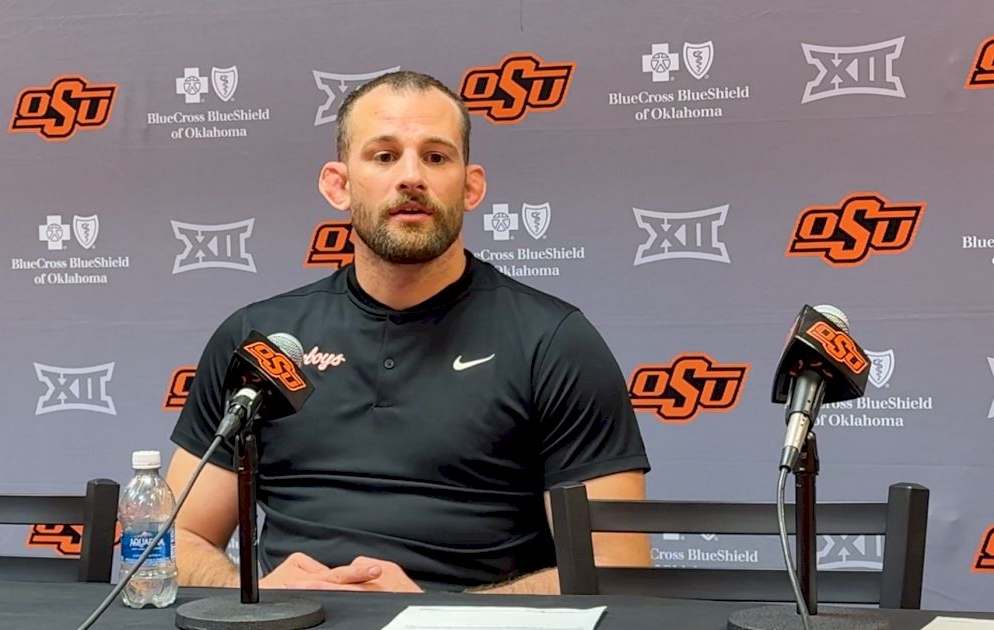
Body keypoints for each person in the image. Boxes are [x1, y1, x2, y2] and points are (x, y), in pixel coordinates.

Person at [167, 70, 650, 594]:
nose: (411, 177)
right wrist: (261, 597)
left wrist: (442, 614)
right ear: (338, 184)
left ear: (471, 187)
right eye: (383, 155)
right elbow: (176, 538)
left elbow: (618, 564)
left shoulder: (553, 341)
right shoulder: (262, 340)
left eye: (437, 157)